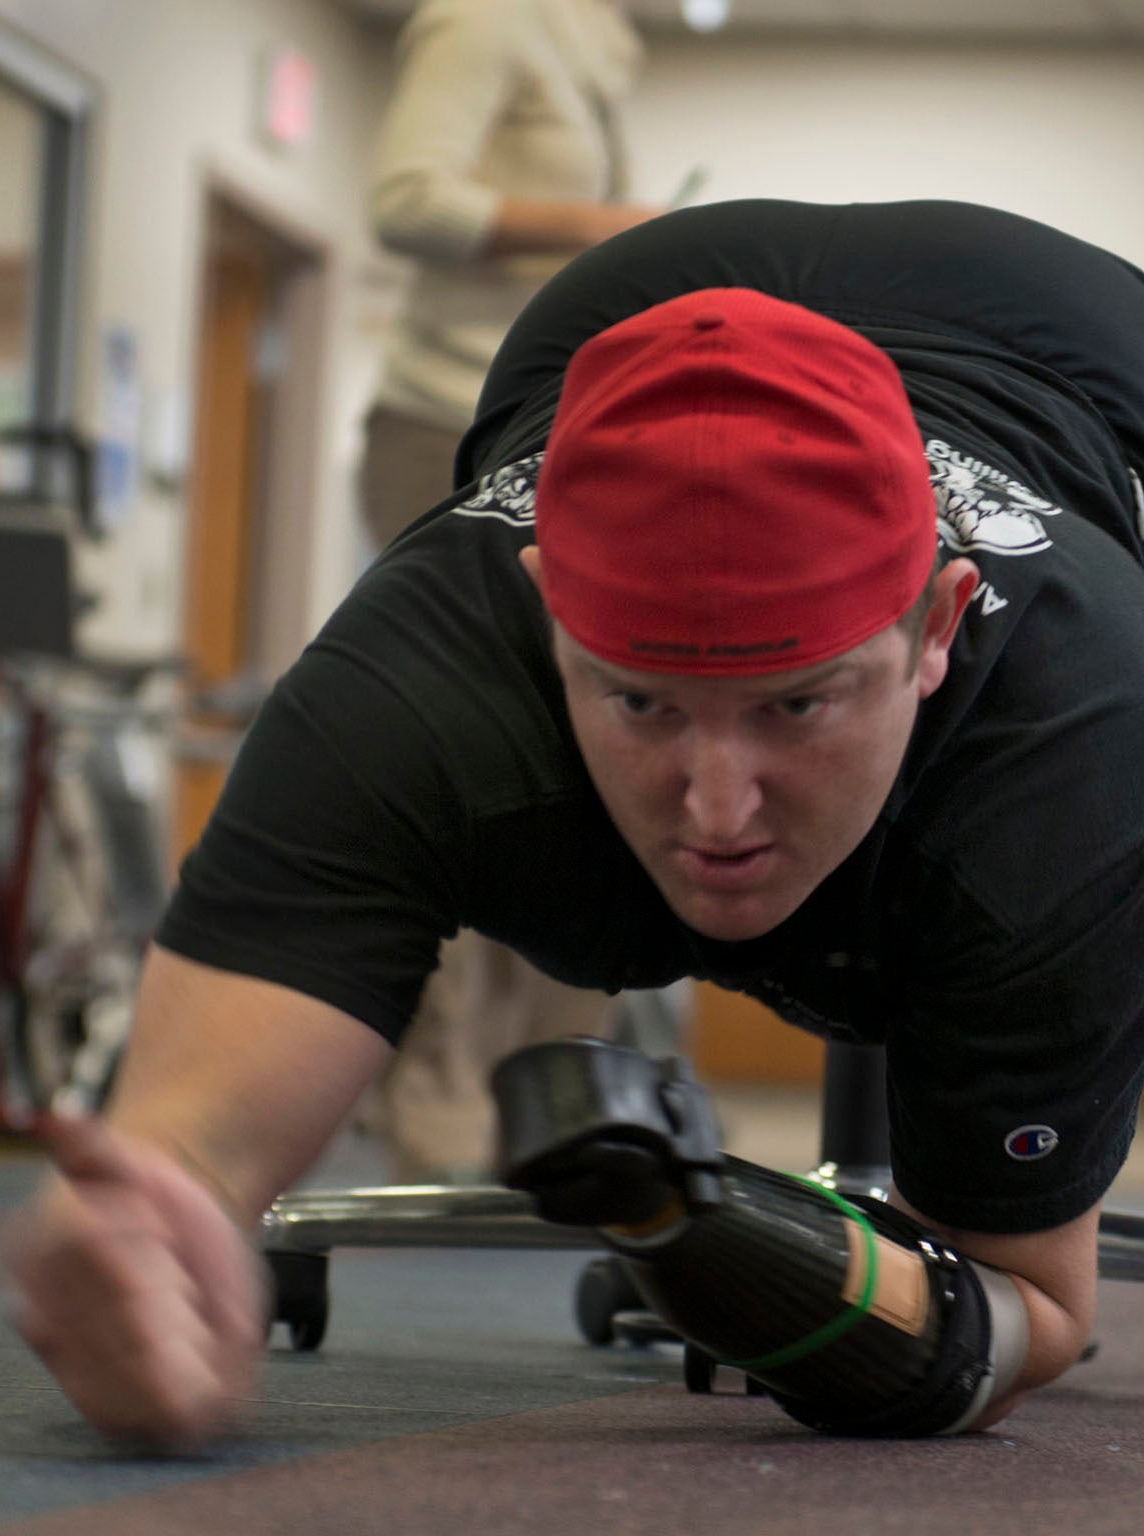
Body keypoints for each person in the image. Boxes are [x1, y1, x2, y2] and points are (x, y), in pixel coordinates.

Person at [5, 198, 1144, 1448]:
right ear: (547, 609)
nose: (718, 810)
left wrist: (710, 1234)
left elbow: (1031, 1301)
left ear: (935, 629)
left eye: (796, 704)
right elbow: (176, 1164)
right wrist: (145, 1233)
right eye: (641, 701)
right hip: (624, 306)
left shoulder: (1070, 740)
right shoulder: (410, 683)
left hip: (1067, 342)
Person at [361, 0, 665, 1181]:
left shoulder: (595, 49)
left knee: (586, 758)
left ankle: (556, 1099)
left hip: (554, 431)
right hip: (444, 423)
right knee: (460, 755)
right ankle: (436, 1102)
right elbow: (406, 203)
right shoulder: (484, 22)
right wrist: (609, 228)